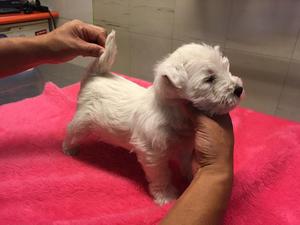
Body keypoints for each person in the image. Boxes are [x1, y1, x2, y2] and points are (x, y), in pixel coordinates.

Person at [0, 20, 234, 225]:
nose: (234, 84)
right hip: (97, 97)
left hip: (107, 85)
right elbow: (151, 157)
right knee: (81, 126)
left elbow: (185, 148)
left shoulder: (181, 110)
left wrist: (192, 169)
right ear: (172, 81)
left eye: (225, 70)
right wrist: (163, 187)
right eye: (210, 79)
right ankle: (72, 142)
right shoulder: (156, 125)